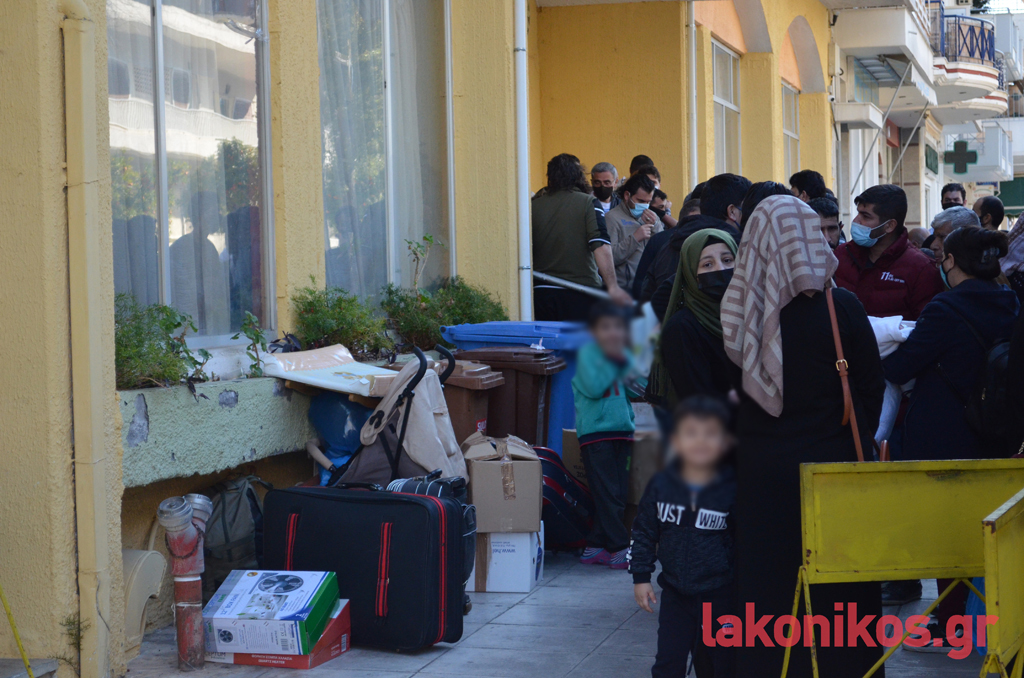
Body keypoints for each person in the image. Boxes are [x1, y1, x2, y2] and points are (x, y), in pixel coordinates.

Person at [721, 195, 885, 678]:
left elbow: (727, 396)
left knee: (767, 587)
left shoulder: (738, 311)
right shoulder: (842, 306)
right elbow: (871, 388)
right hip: (834, 473)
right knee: (841, 588)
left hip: (761, 475)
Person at [883, 227, 1018, 641]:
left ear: (952, 261)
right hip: (996, 432)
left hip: (945, 434)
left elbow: (901, 367)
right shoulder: (1011, 301)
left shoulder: (944, 307)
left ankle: (954, 621)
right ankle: (990, 617)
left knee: (948, 533)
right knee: (989, 529)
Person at [630, 395, 736, 678]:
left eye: (710, 433)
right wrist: (641, 577)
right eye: (691, 433)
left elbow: (742, 541)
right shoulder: (661, 485)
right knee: (668, 662)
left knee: (717, 664)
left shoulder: (731, 488)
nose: (700, 441)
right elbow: (643, 532)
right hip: (675, 594)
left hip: (719, 595)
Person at [572, 302, 635, 569]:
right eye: (606, 327)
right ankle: (620, 548)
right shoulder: (588, 356)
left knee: (616, 493)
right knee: (609, 493)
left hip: (622, 431)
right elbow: (595, 387)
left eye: (618, 327)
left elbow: (636, 388)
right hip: (597, 435)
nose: (613, 333)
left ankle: (595, 546)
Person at [531, 154, 631, 320]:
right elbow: (601, 245)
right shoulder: (589, 203)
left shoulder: (533, 206)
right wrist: (613, 287)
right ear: (578, 175)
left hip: (541, 291)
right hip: (580, 292)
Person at [834, 184, 943, 320]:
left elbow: (926, 324)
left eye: (866, 216)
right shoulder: (842, 254)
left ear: (890, 226)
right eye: (858, 213)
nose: (856, 221)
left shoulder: (921, 269)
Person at [656, 229, 738, 407]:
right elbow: (696, 399)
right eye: (707, 264)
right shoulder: (682, 329)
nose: (720, 269)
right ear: (692, 274)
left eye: (727, 260)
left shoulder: (752, 317)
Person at [636, 174, 746, 304]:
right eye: (708, 264)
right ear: (732, 211)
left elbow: (645, 292)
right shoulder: (736, 246)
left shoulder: (667, 245)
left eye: (726, 260)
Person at [606, 173, 663, 291]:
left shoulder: (652, 217)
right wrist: (635, 238)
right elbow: (609, 258)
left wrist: (655, 227)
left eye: (648, 202)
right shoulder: (612, 218)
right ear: (627, 195)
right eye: (640, 201)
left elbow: (663, 250)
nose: (644, 206)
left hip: (648, 288)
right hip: (625, 289)